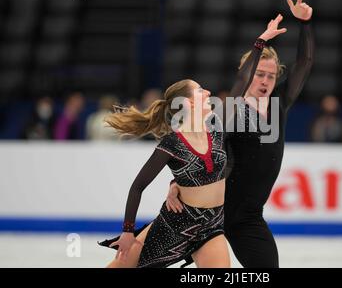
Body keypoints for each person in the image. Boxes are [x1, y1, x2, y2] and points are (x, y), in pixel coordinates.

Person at [98, 16, 287, 268]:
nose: (208, 92)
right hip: (176, 225)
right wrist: (128, 231)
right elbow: (138, 187)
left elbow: (240, 84)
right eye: (200, 91)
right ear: (188, 103)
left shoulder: (217, 130)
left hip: (211, 228)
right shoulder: (173, 142)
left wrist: (261, 42)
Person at [167, 0, 314, 267]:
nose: (266, 81)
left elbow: (304, 64)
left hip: (249, 218)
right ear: (247, 73)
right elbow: (201, 149)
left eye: (271, 75)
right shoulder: (230, 110)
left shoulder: (278, 105)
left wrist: (305, 24)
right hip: (214, 214)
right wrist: (175, 183)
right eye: (260, 74)